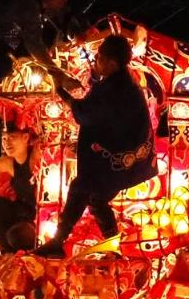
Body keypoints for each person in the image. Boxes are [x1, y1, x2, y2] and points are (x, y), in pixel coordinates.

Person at [47, 34, 155, 254]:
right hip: (122, 159)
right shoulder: (122, 83)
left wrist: (59, 91)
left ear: (112, 63)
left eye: (99, 59)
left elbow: (85, 114)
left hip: (115, 160)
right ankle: (112, 248)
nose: (95, 62)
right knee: (96, 199)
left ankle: (57, 243)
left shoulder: (115, 89)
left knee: (80, 188)